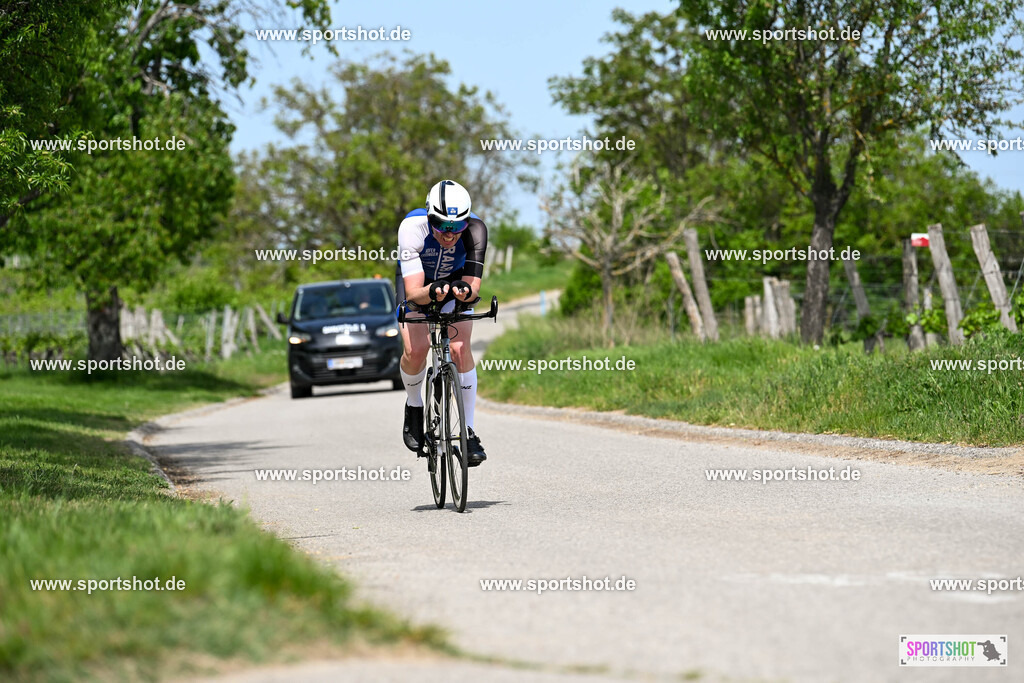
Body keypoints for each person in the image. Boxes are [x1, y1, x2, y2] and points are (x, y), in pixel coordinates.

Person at [395, 179, 488, 465]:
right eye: (442, 226)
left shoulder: (476, 230)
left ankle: (469, 431)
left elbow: (473, 289)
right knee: (417, 350)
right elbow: (413, 293)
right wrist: (432, 291)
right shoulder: (412, 228)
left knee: (459, 349)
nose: (449, 234)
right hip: (418, 284)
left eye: (456, 227)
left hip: (453, 283)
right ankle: (414, 404)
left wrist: (462, 291)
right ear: (429, 216)